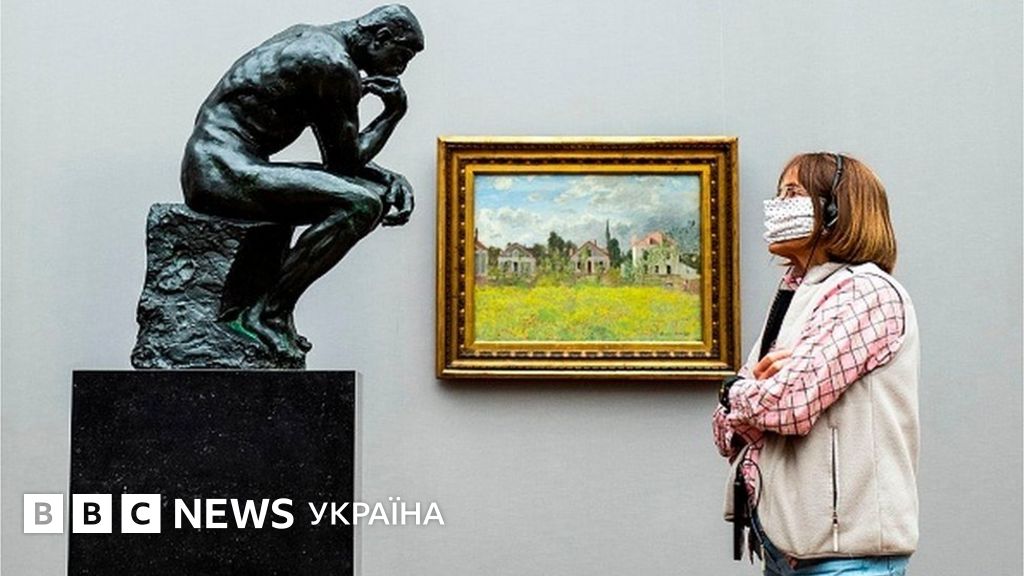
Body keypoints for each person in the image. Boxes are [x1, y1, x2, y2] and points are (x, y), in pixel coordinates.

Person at [712, 153, 919, 575]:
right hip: (787, 550)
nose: (776, 207)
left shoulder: (865, 293)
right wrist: (753, 396)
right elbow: (726, 433)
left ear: (835, 210)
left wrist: (737, 391)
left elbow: (789, 405)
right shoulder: (795, 294)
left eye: (791, 194)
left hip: (846, 560)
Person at [181, 4, 424, 359]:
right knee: (361, 205)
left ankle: (266, 309)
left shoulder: (312, 38)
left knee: (369, 195)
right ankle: (267, 314)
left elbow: (341, 159)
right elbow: (344, 161)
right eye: (401, 56)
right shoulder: (332, 63)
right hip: (218, 171)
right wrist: (393, 113)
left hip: (226, 162)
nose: (400, 69)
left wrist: (387, 177)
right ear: (380, 37)